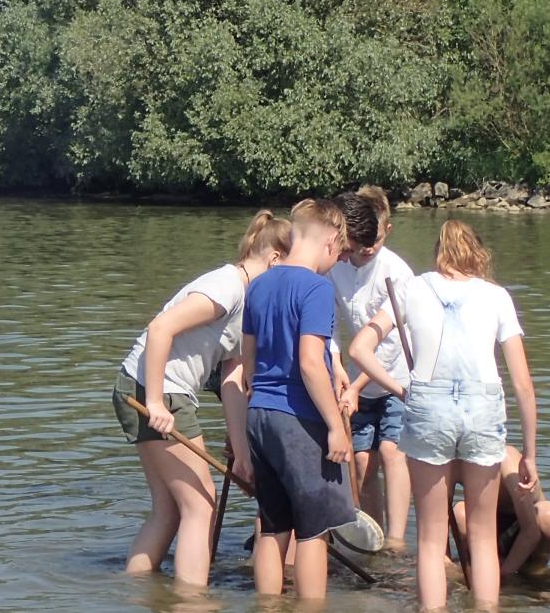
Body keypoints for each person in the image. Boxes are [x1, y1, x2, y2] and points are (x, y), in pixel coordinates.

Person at [348, 219, 538, 609]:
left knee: (432, 537)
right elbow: (522, 382)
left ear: (439, 253)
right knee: (483, 535)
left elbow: (359, 349)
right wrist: (530, 452)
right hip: (484, 405)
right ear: (477, 254)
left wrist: (402, 388)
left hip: (428, 403)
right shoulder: (497, 296)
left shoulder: (411, 288)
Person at [112, 210, 292, 587]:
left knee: (168, 509)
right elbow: (160, 328)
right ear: (275, 259)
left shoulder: (247, 299)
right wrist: (158, 404)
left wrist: (241, 450)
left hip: (144, 386)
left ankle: (134, 591)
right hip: (155, 390)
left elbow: (231, 378)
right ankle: (192, 600)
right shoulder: (227, 286)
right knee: (201, 503)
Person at [241, 199, 355, 599]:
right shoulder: (316, 288)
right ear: (329, 240)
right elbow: (310, 363)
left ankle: (269, 607)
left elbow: (248, 361)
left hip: (259, 416)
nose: (337, 260)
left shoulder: (257, 284)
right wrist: (335, 427)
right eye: (339, 252)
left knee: (272, 526)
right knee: (313, 531)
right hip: (299, 419)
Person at [328, 187, 415, 550]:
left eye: (375, 240)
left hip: (395, 378)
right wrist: (335, 368)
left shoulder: (395, 272)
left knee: (393, 453)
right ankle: (372, 538)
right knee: (362, 462)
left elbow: (386, 345)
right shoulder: (338, 266)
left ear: (386, 231)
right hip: (356, 377)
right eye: (362, 242)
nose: (368, 249)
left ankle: (395, 540)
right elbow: (329, 325)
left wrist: (356, 384)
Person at [450, 446, 550, 581]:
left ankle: (535, 569)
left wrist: (503, 575)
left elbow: (531, 531)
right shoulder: (452, 462)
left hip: (528, 527)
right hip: (488, 525)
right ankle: (475, 566)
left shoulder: (506, 461)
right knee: (459, 513)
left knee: (548, 515)